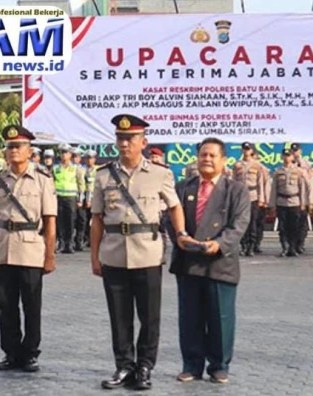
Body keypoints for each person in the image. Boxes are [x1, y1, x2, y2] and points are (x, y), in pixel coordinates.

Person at [90, 114, 186, 391]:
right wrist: (94, 256)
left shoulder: (160, 174)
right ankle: (123, 366)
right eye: (120, 138)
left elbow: (175, 206)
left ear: (143, 142)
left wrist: (180, 235)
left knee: (149, 315)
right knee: (119, 316)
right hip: (114, 252)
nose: (124, 143)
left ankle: (144, 366)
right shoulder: (104, 175)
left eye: (130, 138)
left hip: (148, 252)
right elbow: (97, 218)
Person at [168, 137, 250, 385]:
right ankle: (191, 365)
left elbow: (239, 224)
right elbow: (169, 218)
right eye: (203, 154)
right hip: (188, 261)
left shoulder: (236, 189)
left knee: (220, 318)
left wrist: (220, 243)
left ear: (224, 160)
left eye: (213, 155)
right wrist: (180, 237)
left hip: (220, 263)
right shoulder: (183, 187)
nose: (207, 159)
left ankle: (219, 366)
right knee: (190, 318)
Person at [0, 125, 57, 373]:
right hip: (2, 246)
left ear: (29, 150)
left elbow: (50, 221)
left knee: (31, 304)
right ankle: (11, 352)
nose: (13, 150)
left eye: (18, 146)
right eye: (10, 147)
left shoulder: (43, 180)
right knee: (4, 305)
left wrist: (49, 255)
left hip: (30, 247)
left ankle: (30, 353)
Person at [270, 148, 311, 257]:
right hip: (281, 202)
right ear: (282, 157)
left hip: (295, 201)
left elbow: (302, 188)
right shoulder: (278, 172)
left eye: (289, 156)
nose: (287, 158)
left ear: (292, 157)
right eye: (285, 156)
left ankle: (293, 247)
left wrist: (303, 203)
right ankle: (285, 247)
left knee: (294, 226)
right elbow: (274, 189)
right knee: (282, 227)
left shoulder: (298, 171)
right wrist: (272, 204)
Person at [232, 142, 267, 256]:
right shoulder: (237, 165)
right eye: (244, 149)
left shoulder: (257, 165)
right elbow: (233, 181)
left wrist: (262, 198)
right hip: (240, 195)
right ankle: (244, 245)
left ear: (252, 151)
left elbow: (261, 183)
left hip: (253, 195)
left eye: (248, 149)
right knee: (241, 222)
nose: (246, 151)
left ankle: (251, 246)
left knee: (252, 222)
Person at [53, 144, 82, 254]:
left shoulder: (75, 168)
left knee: (70, 221)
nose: (64, 155)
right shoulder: (56, 168)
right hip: (59, 197)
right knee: (59, 221)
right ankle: (61, 243)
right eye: (62, 152)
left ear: (70, 155)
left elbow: (81, 185)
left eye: (66, 152)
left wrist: (80, 199)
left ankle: (69, 244)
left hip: (71, 198)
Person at [291, 143, 313, 254]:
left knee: (302, 223)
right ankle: (292, 244)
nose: (294, 153)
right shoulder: (288, 164)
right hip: (293, 197)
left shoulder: (307, 165)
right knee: (292, 222)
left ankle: (300, 243)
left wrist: (311, 200)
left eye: (296, 151)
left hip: (304, 198)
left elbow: (311, 184)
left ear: (300, 151)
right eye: (293, 151)